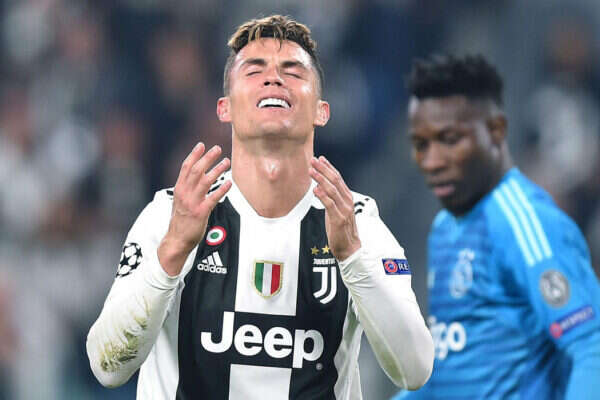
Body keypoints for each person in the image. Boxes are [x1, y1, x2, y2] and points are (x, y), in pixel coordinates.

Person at [86, 15, 433, 399]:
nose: (273, 78)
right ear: (224, 108)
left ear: (321, 111)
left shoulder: (356, 223)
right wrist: (172, 252)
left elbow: (415, 369)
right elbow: (107, 367)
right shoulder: (171, 215)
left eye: (293, 71)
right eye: (254, 70)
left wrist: (352, 256)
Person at [393, 54, 600, 400]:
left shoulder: (526, 223)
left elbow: (590, 347)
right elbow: (452, 366)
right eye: (421, 144)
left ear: (496, 131)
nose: (432, 161)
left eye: (449, 139)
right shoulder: (445, 228)